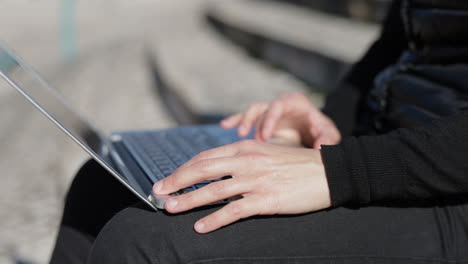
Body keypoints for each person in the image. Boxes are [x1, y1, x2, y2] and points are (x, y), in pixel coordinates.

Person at [50, 0, 468, 263]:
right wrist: (324, 127)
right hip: (392, 146)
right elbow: (397, 46)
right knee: (104, 183)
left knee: (145, 243)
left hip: (450, 195)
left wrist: (337, 171)